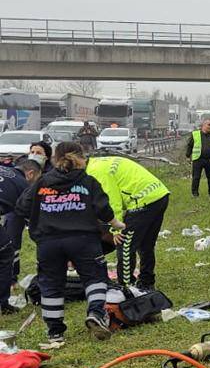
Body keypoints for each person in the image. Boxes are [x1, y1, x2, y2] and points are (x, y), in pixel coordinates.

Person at [14, 143, 126, 348]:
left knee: (50, 284)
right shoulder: (87, 181)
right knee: (94, 277)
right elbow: (102, 207)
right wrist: (115, 223)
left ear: (55, 159)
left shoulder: (42, 182)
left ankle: (55, 333)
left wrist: (41, 219)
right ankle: (96, 314)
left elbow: (21, 206)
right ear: (81, 159)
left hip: (48, 242)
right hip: (83, 240)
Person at [86, 155, 170, 291]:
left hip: (142, 200)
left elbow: (112, 202)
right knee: (146, 244)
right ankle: (146, 282)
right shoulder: (98, 162)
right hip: (159, 195)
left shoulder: (95, 172)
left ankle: (126, 286)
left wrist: (116, 230)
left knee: (124, 244)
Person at [0, 160, 41, 315]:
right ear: (30, 174)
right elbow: (34, 220)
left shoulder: (3, 168)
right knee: (4, 254)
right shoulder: (24, 185)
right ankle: (2, 304)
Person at [185, 119, 210, 197]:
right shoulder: (195, 134)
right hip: (198, 159)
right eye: (209, 125)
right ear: (203, 125)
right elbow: (190, 145)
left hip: (209, 159)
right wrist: (188, 156)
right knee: (196, 177)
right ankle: (195, 194)